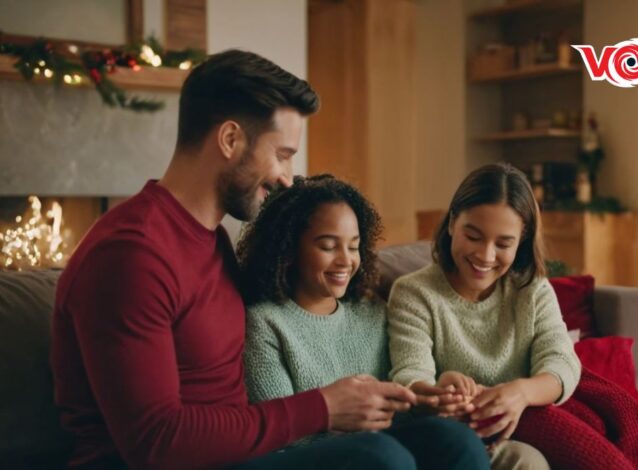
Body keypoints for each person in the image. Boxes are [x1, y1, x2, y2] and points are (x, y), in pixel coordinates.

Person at [51, 50, 420, 470]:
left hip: (242, 456)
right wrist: (322, 407)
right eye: (282, 154)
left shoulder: (211, 239)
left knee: (448, 441)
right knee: (377, 459)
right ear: (230, 140)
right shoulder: (131, 255)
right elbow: (155, 443)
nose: (287, 177)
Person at [235, 174, 490, 470]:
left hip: (384, 447)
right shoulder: (265, 323)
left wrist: (432, 401)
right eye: (329, 246)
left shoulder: (373, 312)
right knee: (383, 455)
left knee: (457, 439)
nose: (346, 261)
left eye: (353, 246)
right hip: (319, 458)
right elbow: (281, 435)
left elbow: (404, 405)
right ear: (288, 250)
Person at [387, 162, 582, 469]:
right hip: (447, 436)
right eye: (474, 236)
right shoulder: (414, 293)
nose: (486, 256)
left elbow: (562, 365)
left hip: (517, 431)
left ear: (522, 241)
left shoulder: (532, 291)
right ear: (452, 223)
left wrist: (520, 393)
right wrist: (441, 393)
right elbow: (410, 375)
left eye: (503, 244)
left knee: (527, 461)